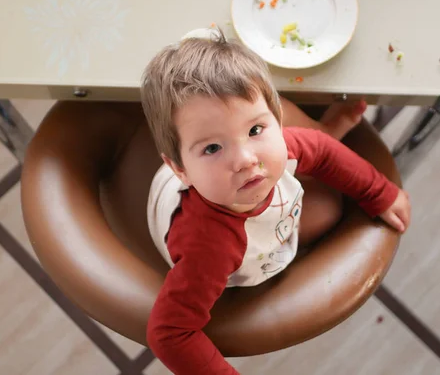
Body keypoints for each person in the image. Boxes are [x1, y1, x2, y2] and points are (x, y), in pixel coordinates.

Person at [141, 29, 411, 374]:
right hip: (211, 233)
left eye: (255, 130)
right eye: (212, 148)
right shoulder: (209, 248)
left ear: (274, 123)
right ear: (180, 168)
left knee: (305, 146)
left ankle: (314, 126)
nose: (245, 159)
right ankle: (299, 126)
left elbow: (324, 152)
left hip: (237, 186)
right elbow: (169, 333)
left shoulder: (271, 147)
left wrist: (379, 191)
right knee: (324, 212)